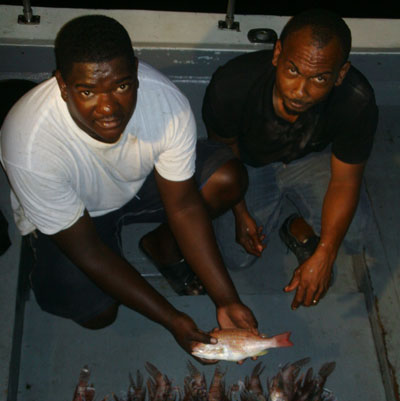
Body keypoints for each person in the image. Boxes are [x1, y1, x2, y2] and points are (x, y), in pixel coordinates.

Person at [0, 14, 258, 355]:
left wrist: (226, 300)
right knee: (97, 313)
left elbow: (182, 205)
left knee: (227, 178)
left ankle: (160, 244)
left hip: (137, 185)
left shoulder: (166, 103)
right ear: (62, 84)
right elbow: (88, 250)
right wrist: (172, 319)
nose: (108, 108)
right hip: (78, 217)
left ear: (136, 71)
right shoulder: (28, 142)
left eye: (122, 86)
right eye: (87, 90)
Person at [202, 8, 378, 310]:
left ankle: (294, 225)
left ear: (341, 74)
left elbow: (346, 179)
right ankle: (281, 216)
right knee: (236, 258)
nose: (300, 90)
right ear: (277, 54)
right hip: (250, 166)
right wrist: (240, 211)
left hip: (311, 160)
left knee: (355, 234)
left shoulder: (356, 100)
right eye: (292, 70)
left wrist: (324, 253)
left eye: (320, 78)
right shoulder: (232, 84)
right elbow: (223, 152)